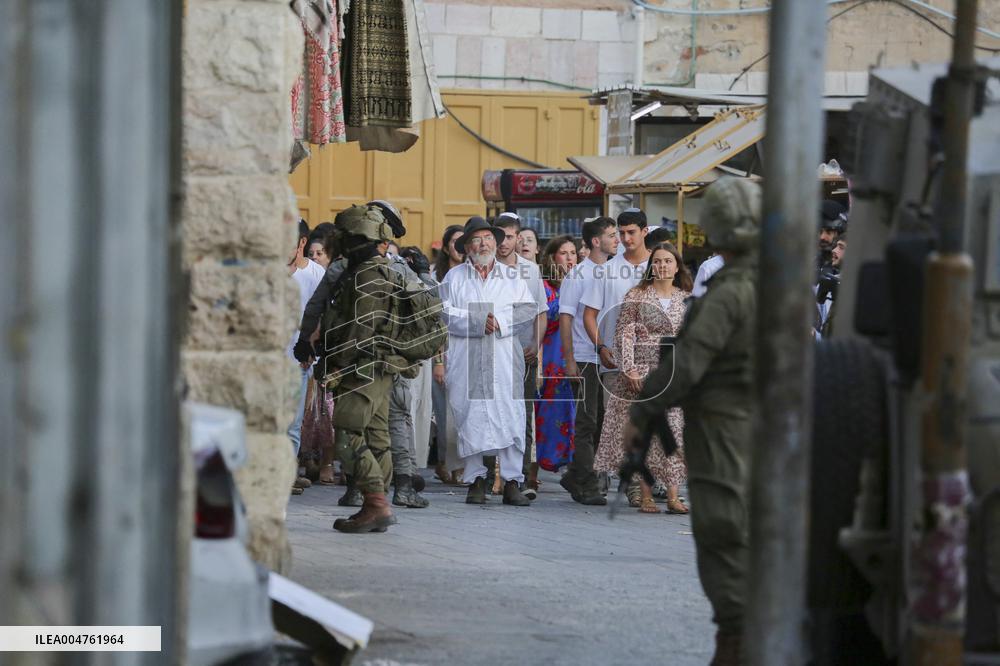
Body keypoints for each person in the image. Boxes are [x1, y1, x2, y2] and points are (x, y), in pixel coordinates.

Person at [624, 176, 761, 664]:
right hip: (769, 426)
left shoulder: (730, 291)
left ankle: (737, 640)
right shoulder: (777, 283)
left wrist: (642, 412)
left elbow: (688, 361)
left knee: (724, 534)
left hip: (726, 427)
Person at [309, 205, 420, 533]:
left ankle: (376, 503)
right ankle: (376, 502)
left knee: (346, 434)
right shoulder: (382, 270)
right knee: (376, 434)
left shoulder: (367, 275)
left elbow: (360, 330)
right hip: (380, 366)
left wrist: (336, 366)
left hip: (363, 367)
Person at [439, 217, 536, 507]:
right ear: (467, 246)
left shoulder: (512, 276)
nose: (483, 244)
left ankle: (511, 481)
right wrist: (478, 321)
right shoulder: (454, 278)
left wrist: (500, 322)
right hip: (467, 358)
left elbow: (527, 310)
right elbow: (443, 313)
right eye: (476, 240)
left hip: (504, 358)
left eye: (488, 238)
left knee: (510, 416)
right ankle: (476, 479)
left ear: (496, 242)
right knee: (472, 417)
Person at [594, 242, 691, 513]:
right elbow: (624, 333)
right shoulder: (636, 295)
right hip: (642, 370)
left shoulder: (686, 298)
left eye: (667, 261)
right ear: (651, 266)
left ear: (676, 266)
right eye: (657, 261)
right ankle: (646, 494)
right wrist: (629, 368)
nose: (662, 266)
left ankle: (673, 495)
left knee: (674, 432)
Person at [558, 217, 618, 505]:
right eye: (611, 235)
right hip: (583, 356)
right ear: (596, 241)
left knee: (602, 420)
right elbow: (566, 318)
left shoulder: (611, 272)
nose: (616, 239)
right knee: (587, 419)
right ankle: (588, 481)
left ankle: (576, 474)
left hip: (606, 357)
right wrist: (569, 359)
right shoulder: (578, 275)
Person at [494, 212, 548, 498]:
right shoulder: (483, 268)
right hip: (492, 354)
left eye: (510, 236)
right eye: (499, 236)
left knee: (522, 415)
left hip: (524, 353)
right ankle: (489, 475)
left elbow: (541, 312)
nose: (504, 242)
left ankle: (522, 478)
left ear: (518, 237)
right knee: (491, 412)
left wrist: (535, 345)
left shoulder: (530, 270)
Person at [581, 208, 650, 415]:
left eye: (631, 232)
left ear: (644, 231)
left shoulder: (661, 266)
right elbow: (589, 315)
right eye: (621, 233)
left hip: (653, 364)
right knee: (615, 434)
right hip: (615, 364)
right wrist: (601, 346)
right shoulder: (605, 271)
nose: (626, 239)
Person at [288, 219, 327, 495]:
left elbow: (321, 317)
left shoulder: (315, 274)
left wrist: (310, 349)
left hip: (298, 358)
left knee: (293, 420)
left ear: (302, 243)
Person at [534, 235, 577, 475]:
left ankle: (571, 464)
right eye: (564, 253)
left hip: (573, 355)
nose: (570, 258)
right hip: (549, 356)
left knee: (571, 413)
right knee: (548, 414)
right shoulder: (544, 286)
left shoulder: (579, 283)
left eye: (573, 253)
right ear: (552, 257)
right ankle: (537, 465)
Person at [430, 225, 466, 486]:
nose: (460, 247)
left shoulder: (472, 275)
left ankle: (462, 464)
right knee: (444, 413)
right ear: (445, 247)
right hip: (442, 348)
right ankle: (446, 462)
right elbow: (436, 323)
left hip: (469, 351)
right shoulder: (437, 278)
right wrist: (439, 360)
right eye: (455, 242)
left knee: (464, 411)